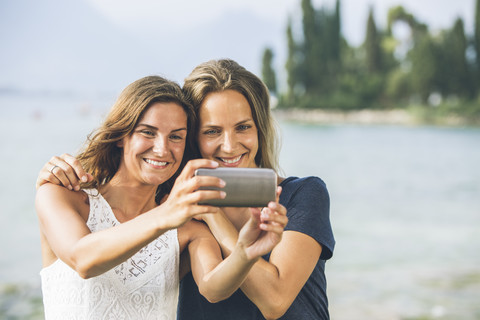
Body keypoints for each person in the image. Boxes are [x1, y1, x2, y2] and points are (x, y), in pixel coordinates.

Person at [37, 59, 335, 319]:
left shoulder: (300, 195)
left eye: (243, 127)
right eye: (212, 131)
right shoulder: (177, 212)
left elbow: (262, 298)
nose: (229, 146)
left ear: (260, 129)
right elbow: (83, 259)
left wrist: (229, 237)